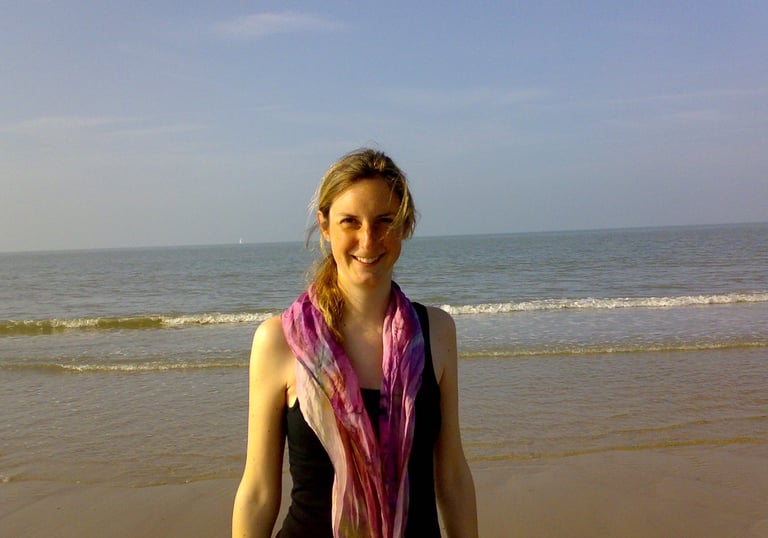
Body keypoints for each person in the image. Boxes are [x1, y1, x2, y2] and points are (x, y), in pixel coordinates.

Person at [232, 148, 477, 538]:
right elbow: (259, 491)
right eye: (350, 222)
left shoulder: (436, 332)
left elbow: (451, 475)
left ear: (405, 226)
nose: (368, 239)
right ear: (325, 226)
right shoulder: (279, 340)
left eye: (385, 221)